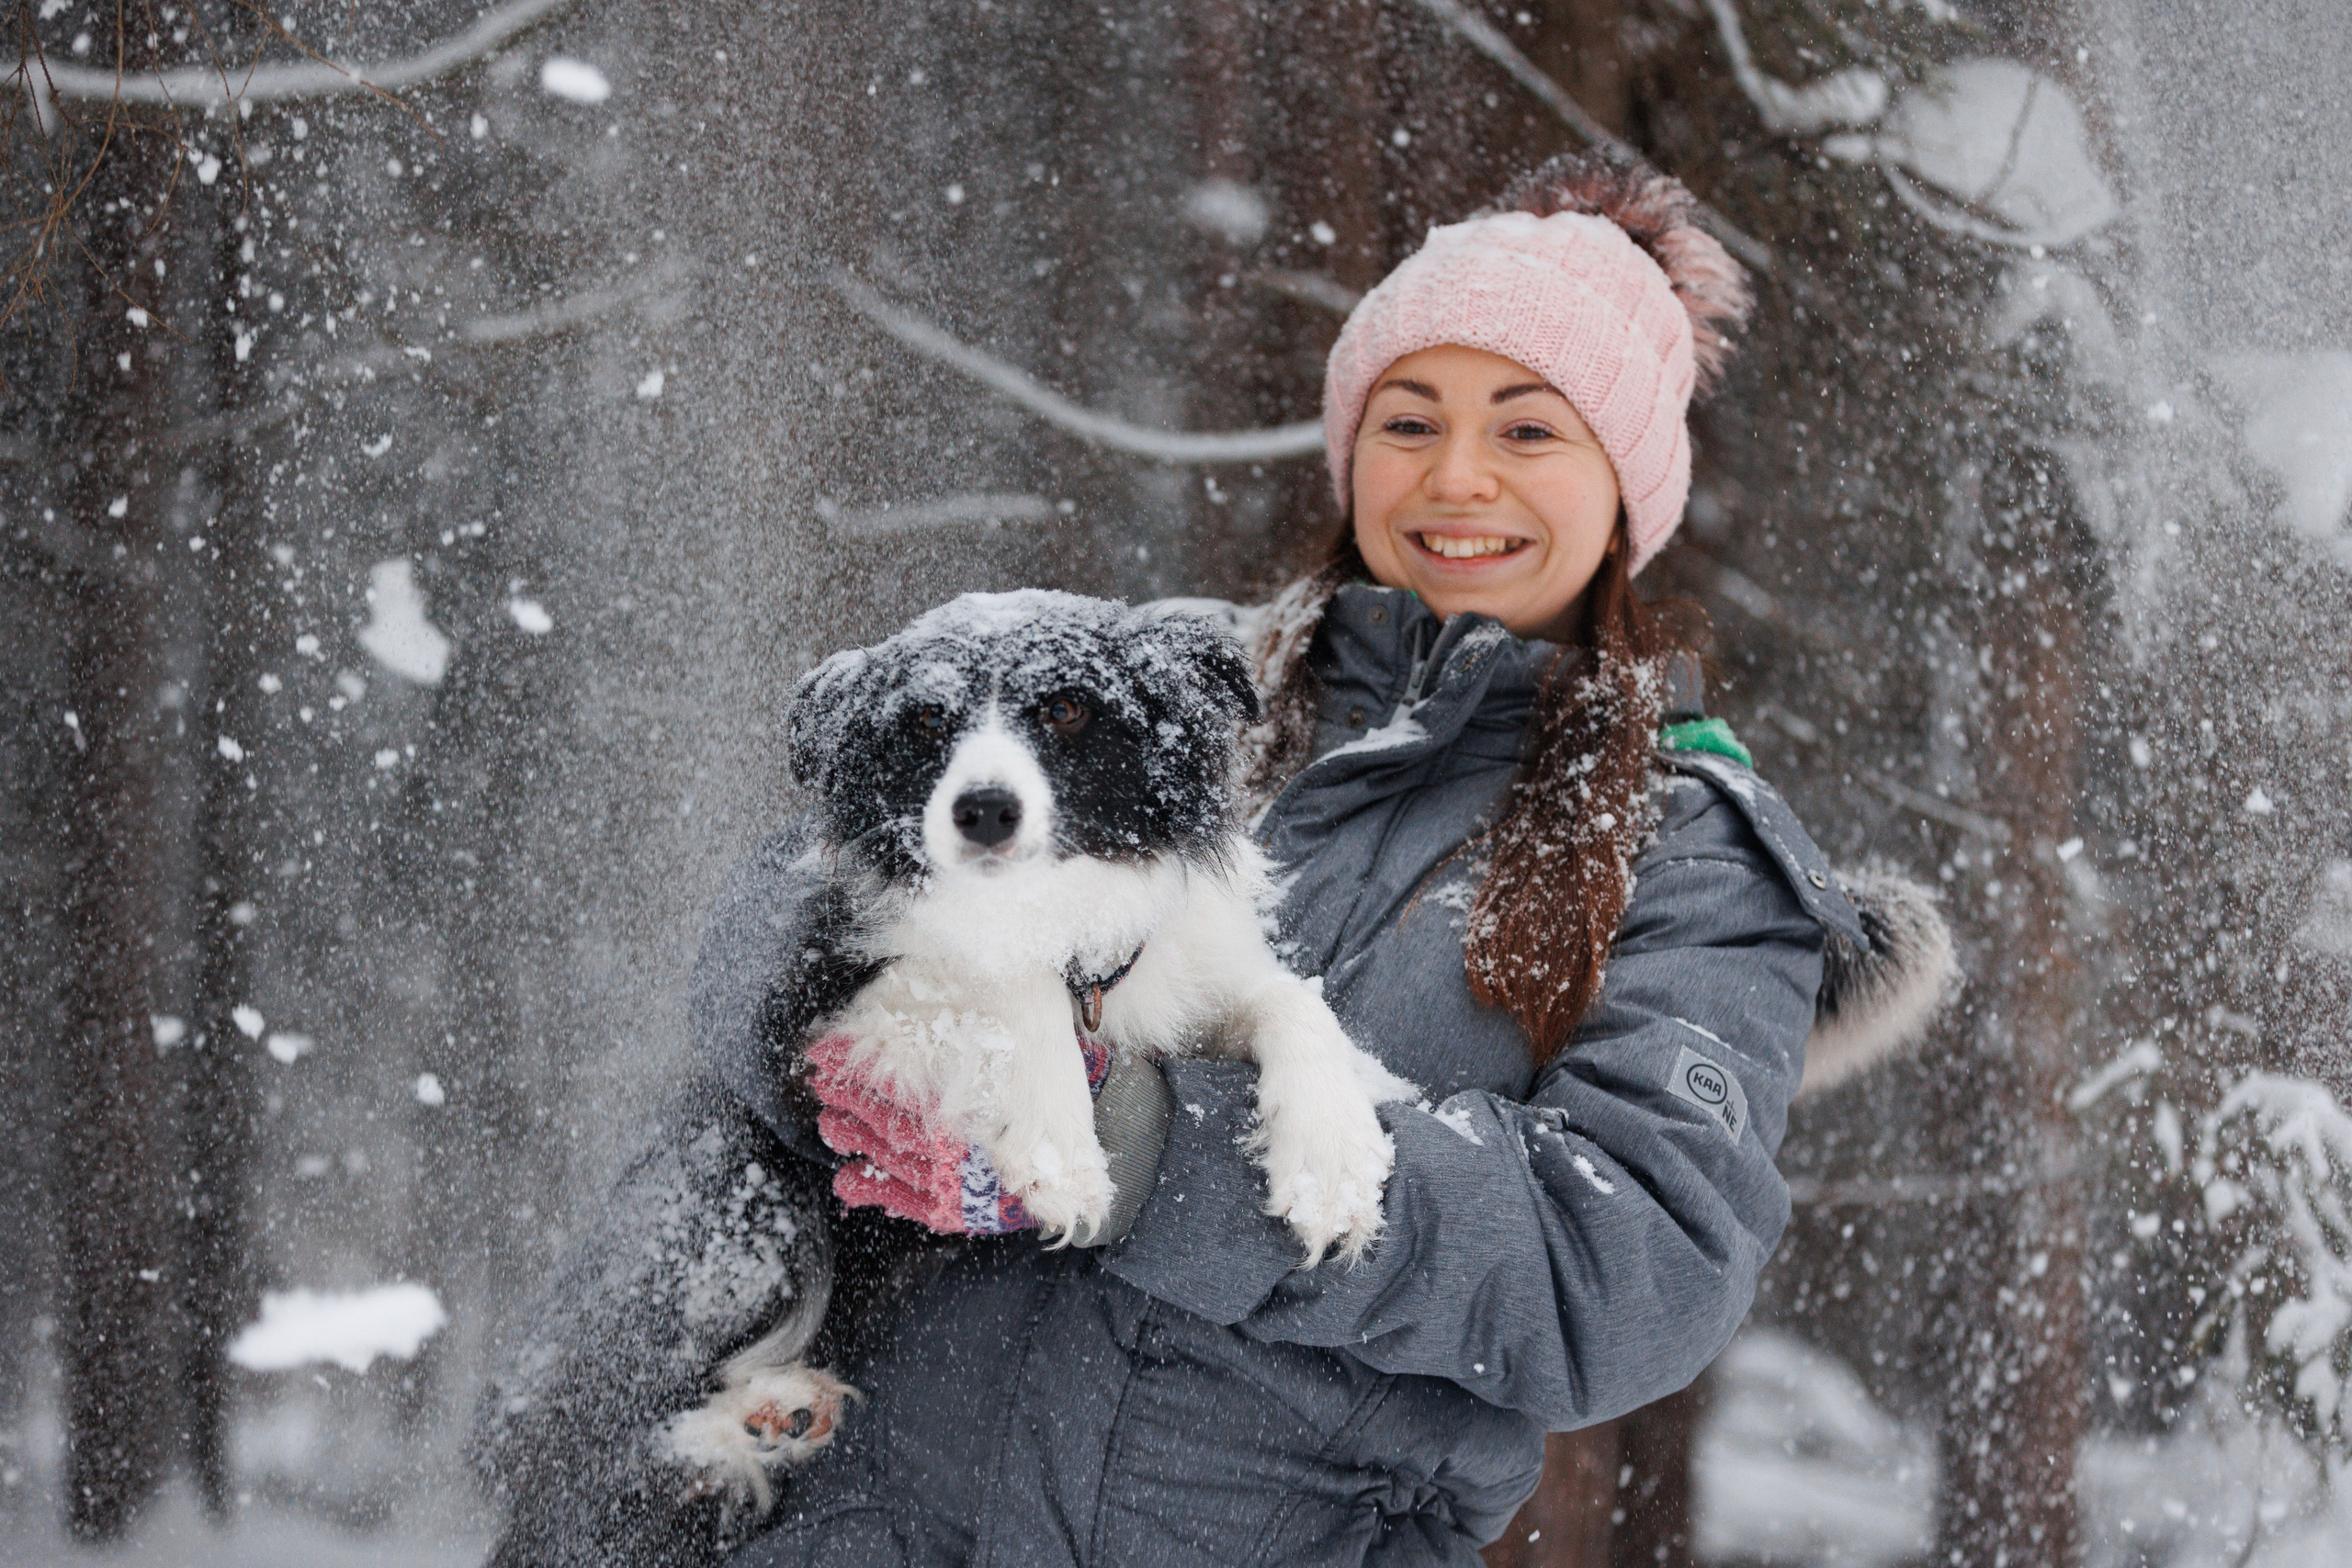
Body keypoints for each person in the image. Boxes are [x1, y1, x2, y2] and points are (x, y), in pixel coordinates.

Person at [699, 152, 1881, 1568]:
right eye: (1409, 420)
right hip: (867, 1526)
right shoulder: (1161, 693)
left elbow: (1628, 1274)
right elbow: (773, 918)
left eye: (1528, 431)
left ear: (1625, 484)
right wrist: (834, 1038)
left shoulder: (1690, 844)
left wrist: (1156, 1152)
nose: (1456, 478)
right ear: (1349, 447)